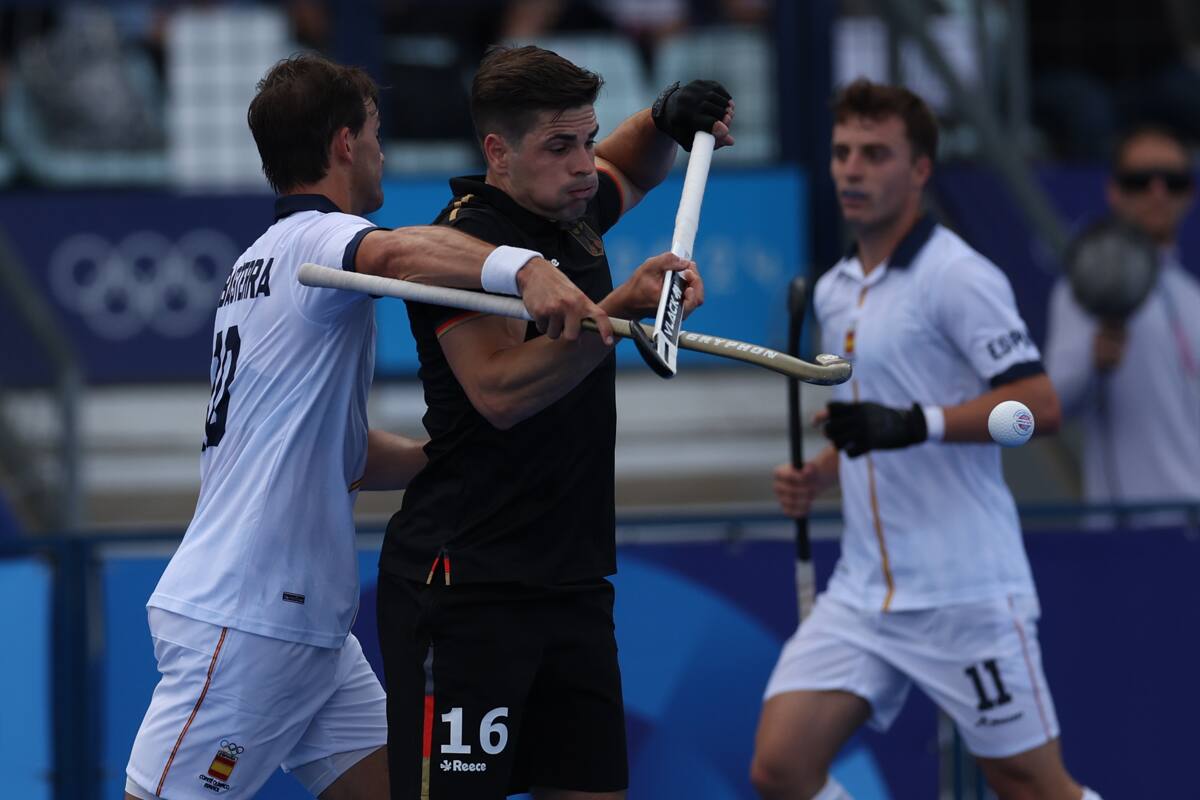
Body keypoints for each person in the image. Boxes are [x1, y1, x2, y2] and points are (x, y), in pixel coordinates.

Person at [123, 53, 610, 800]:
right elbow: (398, 251)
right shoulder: (317, 241)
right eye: (377, 133)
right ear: (346, 143)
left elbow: (337, 452)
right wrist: (523, 268)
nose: (383, 151)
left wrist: (441, 458)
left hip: (312, 630)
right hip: (249, 619)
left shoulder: (253, 263)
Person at [375, 45, 733, 799]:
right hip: (467, 582)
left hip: (572, 581)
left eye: (589, 140)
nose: (584, 165)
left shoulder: (572, 213)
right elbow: (501, 392)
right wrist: (617, 315)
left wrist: (669, 115)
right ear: (497, 152)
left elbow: (632, 170)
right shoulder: (461, 251)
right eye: (560, 146)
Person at [752, 79, 1103, 800]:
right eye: (843, 151)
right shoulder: (834, 288)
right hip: (864, 589)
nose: (852, 168)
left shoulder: (959, 276)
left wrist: (919, 422)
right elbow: (868, 424)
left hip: (965, 591)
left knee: (1033, 787)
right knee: (781, 769)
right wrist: (823, 471)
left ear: (919, 171)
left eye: (875, 153)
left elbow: (1039, 410)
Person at [1045, 125, 1200, 517]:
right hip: (1136, 531)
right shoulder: (1088, 286)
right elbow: (1051, 405)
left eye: (1174, 181)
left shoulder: (1191, 296)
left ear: (1190, 193)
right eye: (1139, 181)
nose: (1157, 192)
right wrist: (1092, 362)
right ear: (1114, 191)